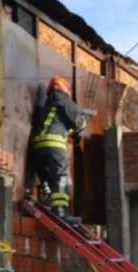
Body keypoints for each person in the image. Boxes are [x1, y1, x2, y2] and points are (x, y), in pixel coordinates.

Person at [30, 75, 85, 221]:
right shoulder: (66, 102)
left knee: (48, 177)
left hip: (37, 147)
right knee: (62, 178)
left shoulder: (46, 105)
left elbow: (53, 124)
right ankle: (60, 212)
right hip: (54, 145)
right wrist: (81, 123)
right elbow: (79, 123)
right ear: (64, 89)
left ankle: (47, 198)